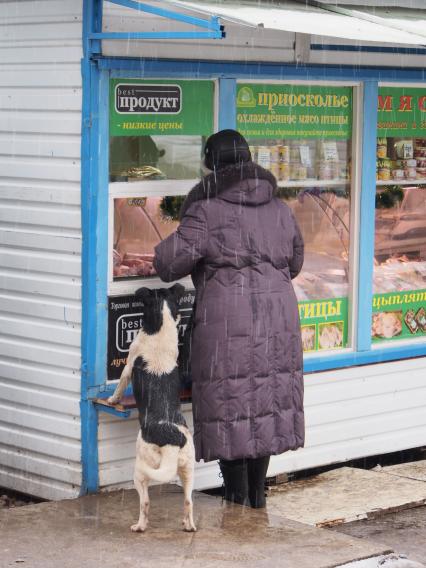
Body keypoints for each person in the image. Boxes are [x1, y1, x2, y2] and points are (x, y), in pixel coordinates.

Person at [153, 129, 305, 508]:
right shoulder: (279, 209)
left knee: (230, 403)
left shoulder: (206, 211)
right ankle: (256, 497)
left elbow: (167, 264)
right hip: (277, 324)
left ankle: (237, 499)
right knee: (263, 404)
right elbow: (296, 261)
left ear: (212, 165)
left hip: (226, 325)